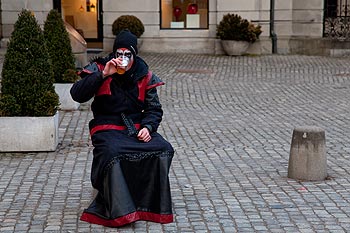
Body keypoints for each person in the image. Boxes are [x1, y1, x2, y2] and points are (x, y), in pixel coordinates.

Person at [70, 30, 174, 227]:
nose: (123, 58)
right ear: (115, 53)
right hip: (105, 126)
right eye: (119, 53)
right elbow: (77, 94)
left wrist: (148, 127)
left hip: (134, 127)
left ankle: (148, 202)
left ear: (134, 55)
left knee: (163, 149)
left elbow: (154, 109)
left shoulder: (145, 74)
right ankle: (119, 206)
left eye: (128, 55)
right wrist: (102, 75)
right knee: (113, 153)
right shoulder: (101, 67)